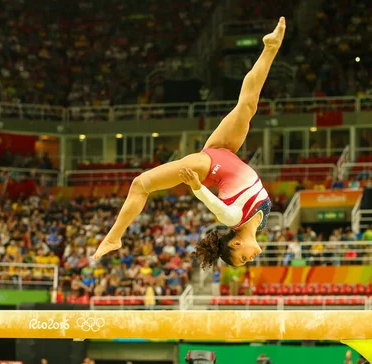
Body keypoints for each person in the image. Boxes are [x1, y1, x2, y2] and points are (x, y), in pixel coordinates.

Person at [92, 17, 287, 267]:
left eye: (242, 258)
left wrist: (196, 187)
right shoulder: (261, 220)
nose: (249, 259)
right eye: (246, 262)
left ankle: (113, 237)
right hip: (224, 151)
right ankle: (270, 48)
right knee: (248, 105)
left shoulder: (233, 218)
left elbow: (214, 205)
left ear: (235, 244)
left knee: (140, 184)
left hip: (208, 167)